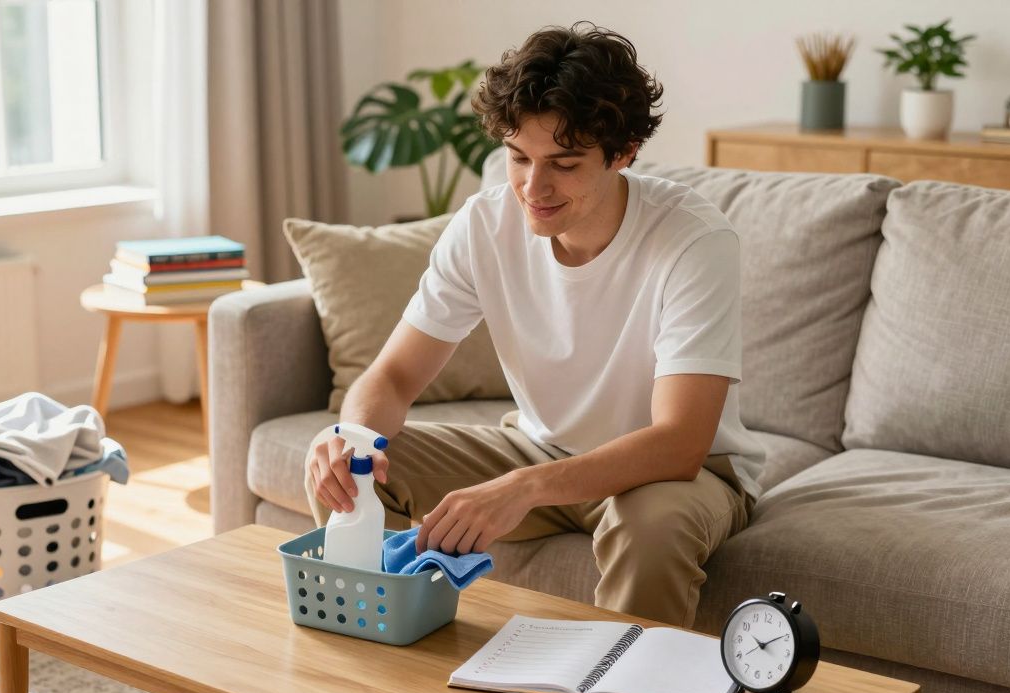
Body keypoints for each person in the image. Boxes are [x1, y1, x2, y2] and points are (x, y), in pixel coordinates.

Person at [303, 22, 765, 629]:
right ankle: (383, 672)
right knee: (349, 470)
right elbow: (391, 377)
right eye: (518, 157)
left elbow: (681, 441)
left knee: (650, 531)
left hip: (680, 473)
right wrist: (352, 442)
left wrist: (523, 488)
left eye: (565, 164)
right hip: (540, 444)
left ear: (623, 153)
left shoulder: (693, 240)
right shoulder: (484, 224)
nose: (533, 186)